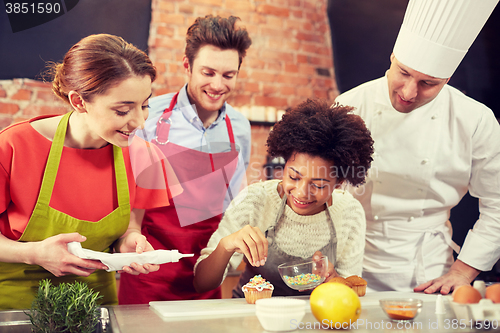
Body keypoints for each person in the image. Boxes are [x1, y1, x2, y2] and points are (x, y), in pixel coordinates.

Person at [0, 34, 177, 310]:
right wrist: (34, 253)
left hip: (96, 304)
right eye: (122, 110)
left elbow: (130, 228)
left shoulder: (145, 156)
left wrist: (129, 244)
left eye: (144, 105)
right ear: (79, 101)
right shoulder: (12, 147)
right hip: (14, 307)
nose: (140, 122)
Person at [335, 0, 500, 294]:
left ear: (447, 79)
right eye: (404, 73)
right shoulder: (351, 105)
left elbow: (498, 204)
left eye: (428, 83)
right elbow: (324, 192)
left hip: (430, 269)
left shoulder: (475, 120)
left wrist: (464, 270)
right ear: (393, 57)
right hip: (352, 262)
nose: (409, 93)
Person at [118, 15, 252, 303]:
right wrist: (128, 239)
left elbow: (236, 202)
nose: (218, 85)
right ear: (187, 66)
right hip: (149, 267)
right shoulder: (149, 115)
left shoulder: (240, 128)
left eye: (228, 75)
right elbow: (129, 195)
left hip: (205, 269)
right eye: (208, 72)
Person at [193, 99, 374, 297]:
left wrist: (333, 278)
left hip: (316, 318)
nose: (301, 192)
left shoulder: (350, 213)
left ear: (338, 183)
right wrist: (226, 245)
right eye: (293, 177)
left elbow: (351, 293)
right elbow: (202, 283)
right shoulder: (255, 201)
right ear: (284, 164)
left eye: (318, 185)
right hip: (250, 316)